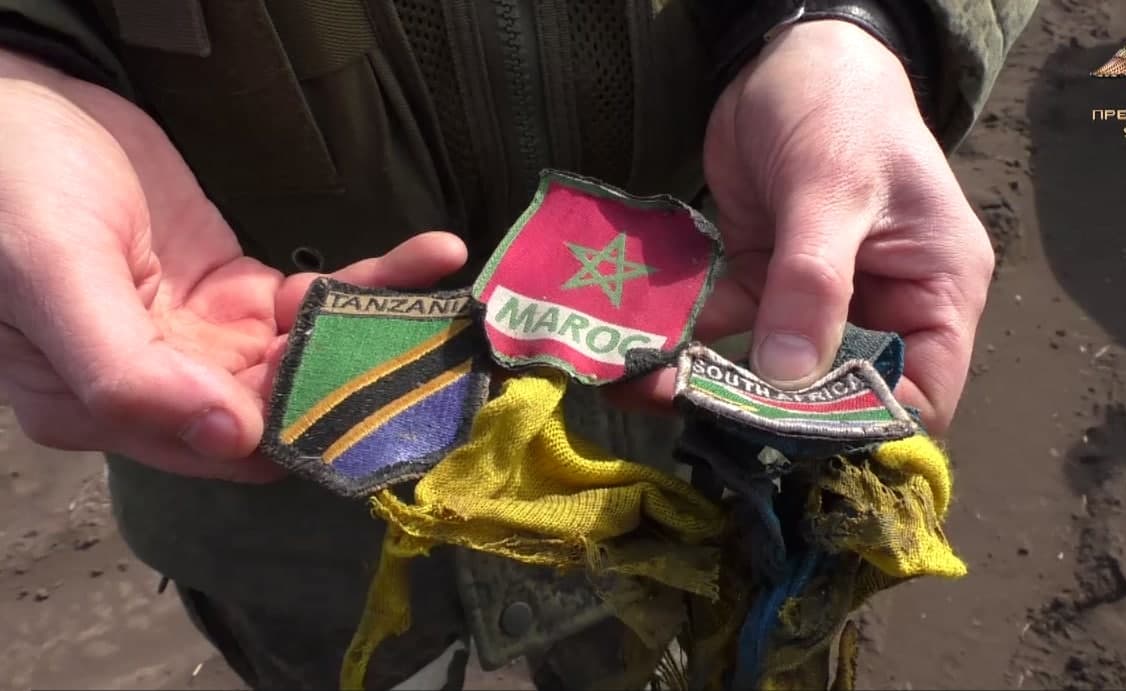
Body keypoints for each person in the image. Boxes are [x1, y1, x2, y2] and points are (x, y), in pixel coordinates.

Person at [0, 1, 1036, 687]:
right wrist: (25, 87)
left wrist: (854, 23)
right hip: (269, 439)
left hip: (692, 416)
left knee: (663, 651)